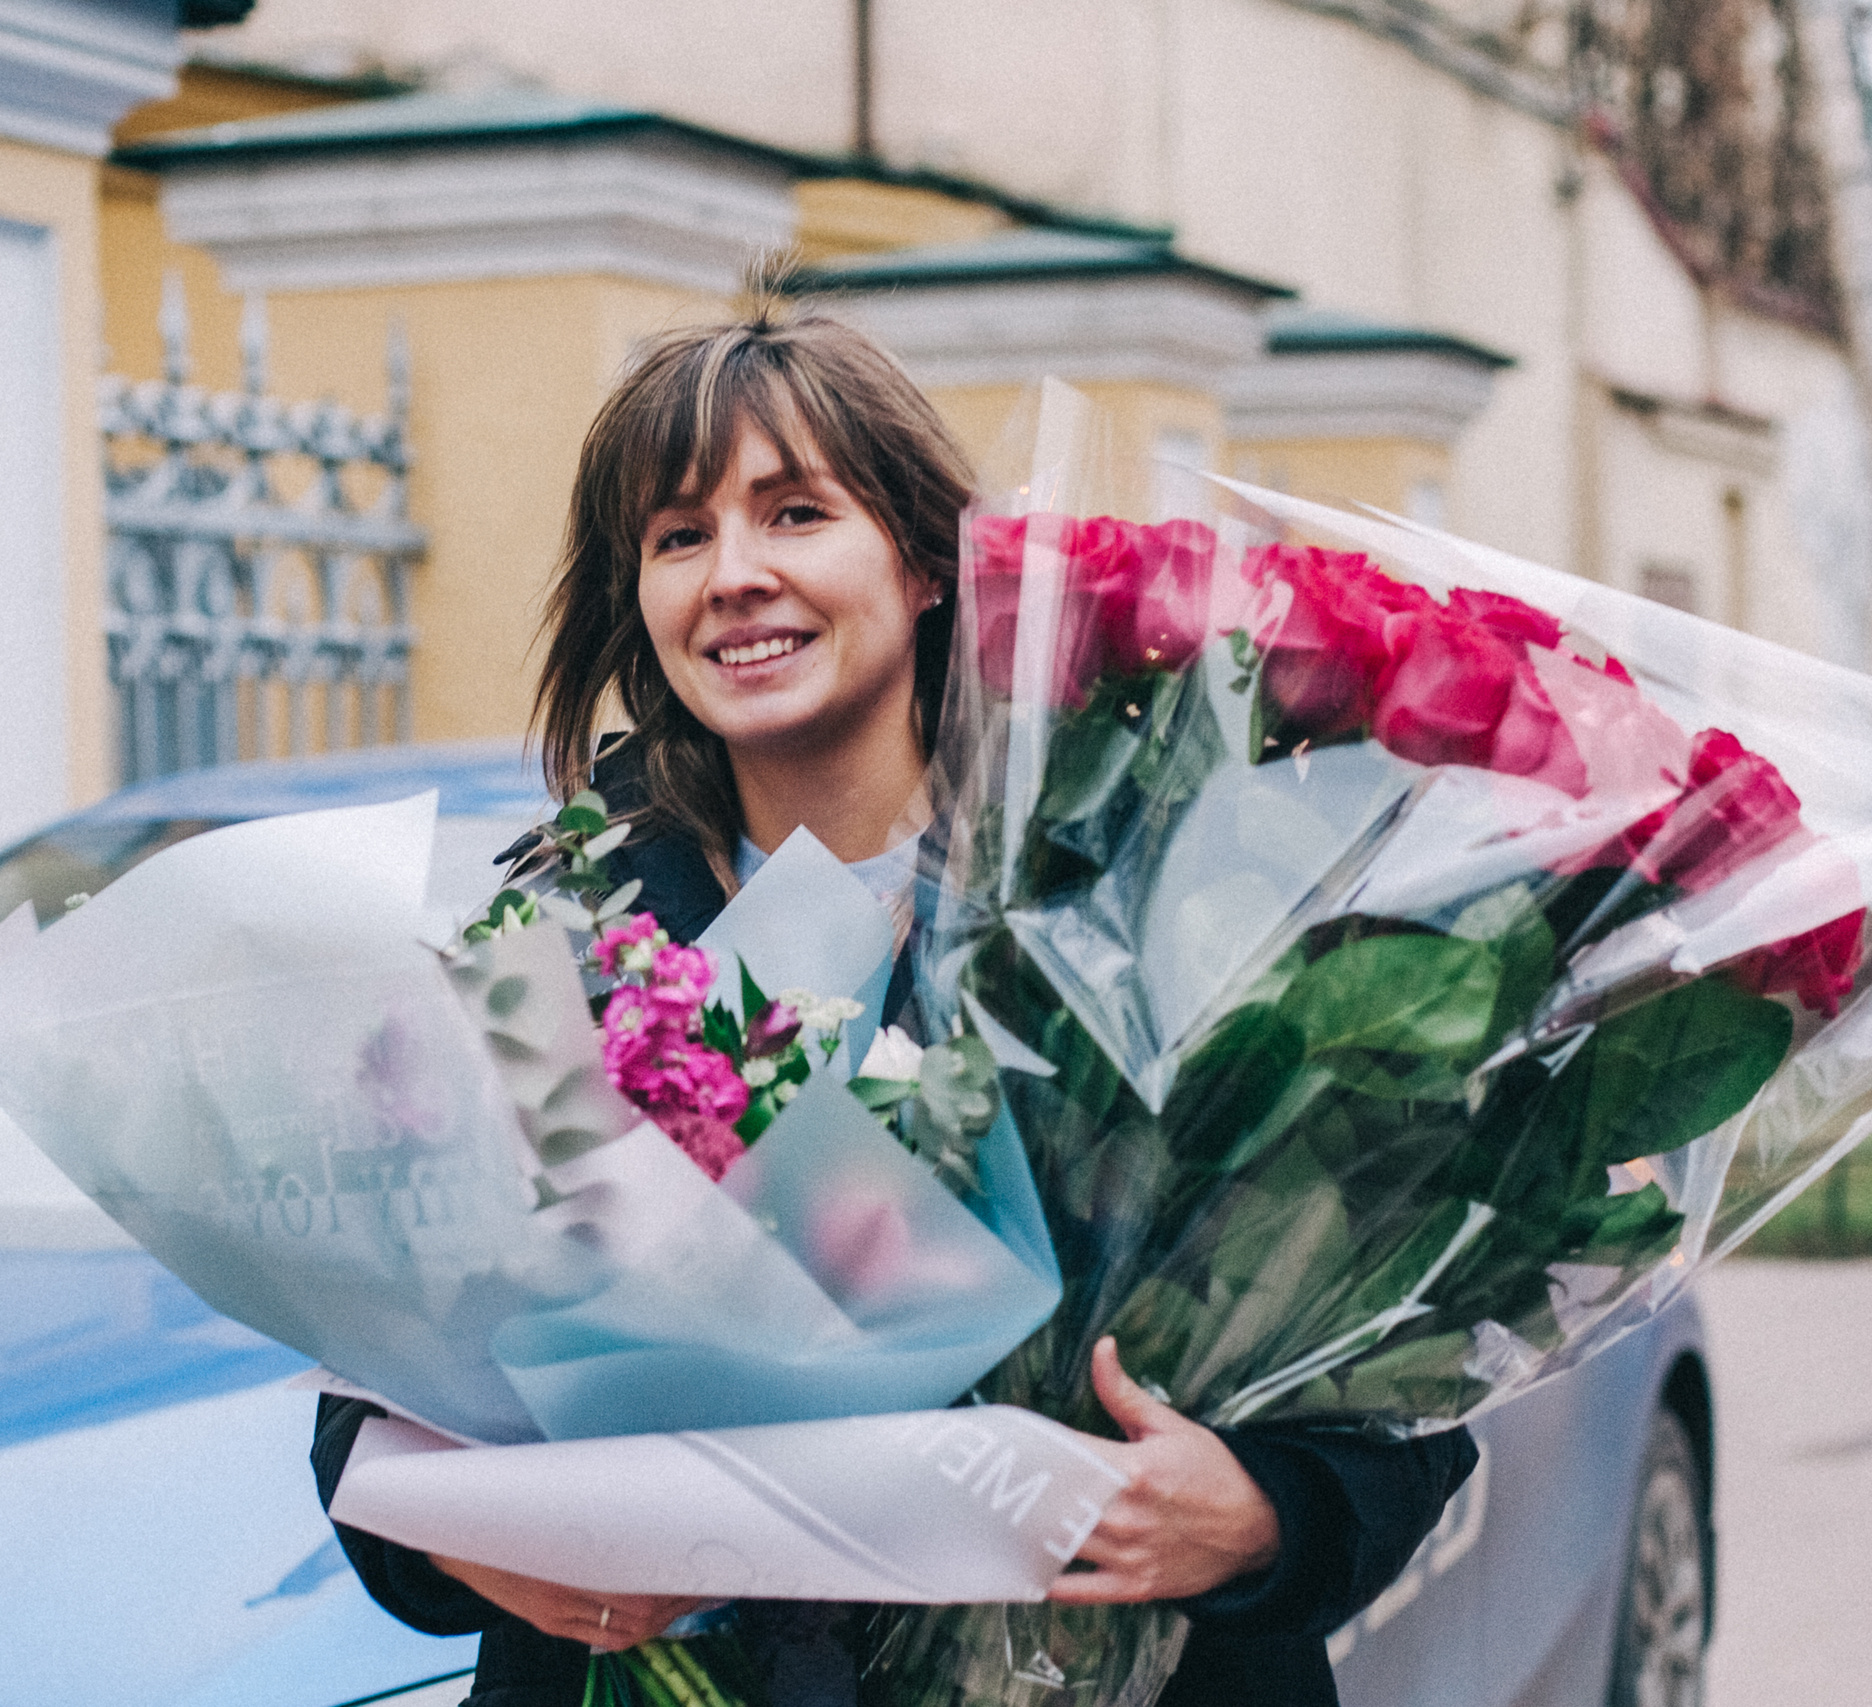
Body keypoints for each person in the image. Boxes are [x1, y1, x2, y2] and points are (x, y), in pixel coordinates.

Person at [312, 311, 1476, 1707]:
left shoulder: (1144, 898)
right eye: (678, 538)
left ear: (927, 563)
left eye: (794, 513)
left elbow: (1410, 1337)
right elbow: (372, 1396)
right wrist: (482, 1554)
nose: (734, 577)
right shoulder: (561, 926)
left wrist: (1261, 1515)